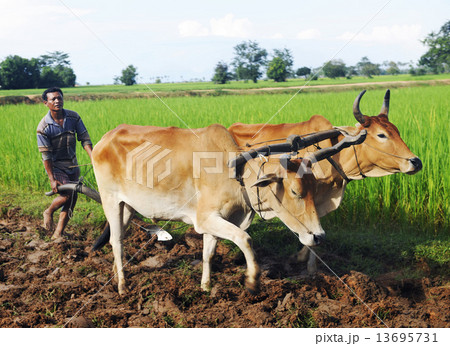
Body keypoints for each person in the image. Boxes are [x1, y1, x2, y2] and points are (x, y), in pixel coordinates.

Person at [36, 87, 93, 239]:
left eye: (59, 98)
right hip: (57, 167)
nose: (57, 101)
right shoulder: (43, 127)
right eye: (53, 99)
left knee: (73, 198)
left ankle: (58, 232)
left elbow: (84, 138)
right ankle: (48, 211)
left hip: (73, 165)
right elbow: (46, 155)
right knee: (67, 195)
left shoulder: (73, 117)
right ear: (45, 103)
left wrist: (93, 157)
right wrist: (52, 179)